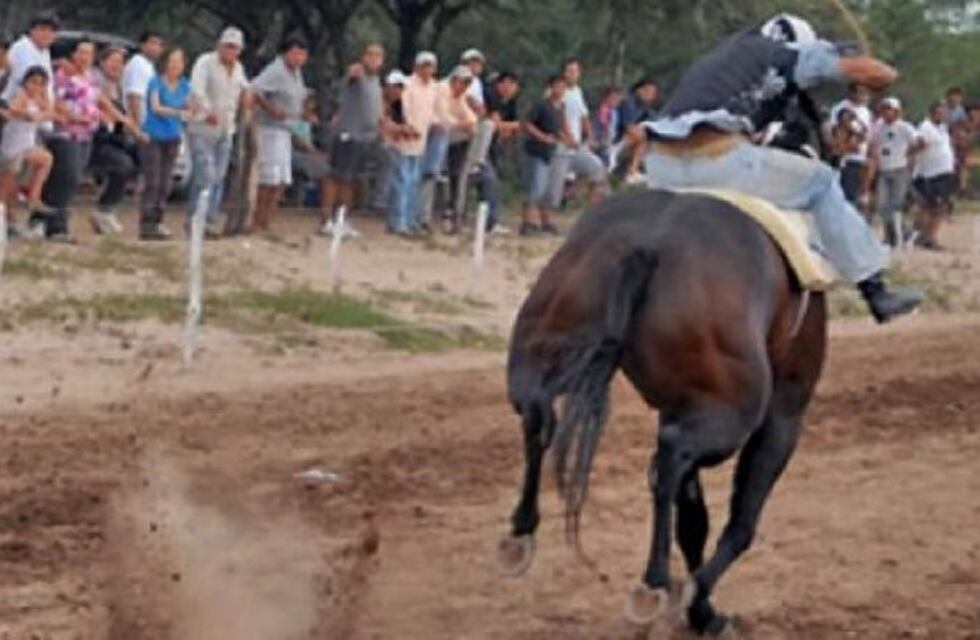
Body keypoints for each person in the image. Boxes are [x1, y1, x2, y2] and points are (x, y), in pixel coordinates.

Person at [640, 13, 922, 324]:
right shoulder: (789, 53)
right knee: (821, 182)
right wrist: (881, 71)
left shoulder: (721, 58)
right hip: (719, 164)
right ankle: (875, 290)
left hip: (660, 168)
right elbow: (870, 73)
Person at [187, 27, 250, 238]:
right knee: (205, 174)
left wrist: (247, 98)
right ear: (219, 45)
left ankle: (209, 220)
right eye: (228, 46)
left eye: (235, 48)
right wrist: (207, 109)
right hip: (203, 127)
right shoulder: (205, 62)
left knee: (219, 177)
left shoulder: (239, 69)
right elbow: (196, 89)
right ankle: (196, 219)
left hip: (226, 128)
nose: (231, 51)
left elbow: (244, 89)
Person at [320, 42, 384, 239]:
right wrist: (351, 74)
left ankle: (341, 219)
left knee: (351, 180)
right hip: (347, 135)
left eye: (378, 56)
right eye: (370, 54)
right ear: (363, 57)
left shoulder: (376, 82)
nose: (374, 59)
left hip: (364, 138)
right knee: (336, 177)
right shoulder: (357, 75)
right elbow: (345, 83)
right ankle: (326, 219)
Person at [43, 39, 106, 241]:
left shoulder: (92, 76)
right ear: (73, 54)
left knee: (74, 178)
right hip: (65, 132)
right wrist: (77, 117)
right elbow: (57, 102)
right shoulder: (62, 75)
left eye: (89, 53)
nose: (85, 57)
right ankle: (56, 225)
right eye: (81, 52)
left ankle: (49, 218)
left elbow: (97, 99)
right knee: (67, 175)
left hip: (86, 135)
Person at [250, 36, 309, 235]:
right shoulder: (275, 70)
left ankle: (267, 220)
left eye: (302, 54)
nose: (299, 57)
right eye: (295, 53)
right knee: (269, 177)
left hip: (287, 129)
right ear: (285, 53)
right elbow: (255, 90)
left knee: (282, 178)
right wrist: (271, 108)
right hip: (270, 129)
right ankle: (257, 220)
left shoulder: (297, 73)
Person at [139, 48, 194, 241]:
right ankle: (146, 222)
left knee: (165, 182)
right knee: (152, 180)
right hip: (153, 135)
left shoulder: (186, 85)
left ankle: (158, 219)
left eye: (179, 61)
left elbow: (191, 105)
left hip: (173, 136)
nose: (175, 65)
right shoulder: (155, 82)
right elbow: (156, 108)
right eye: (172, 60)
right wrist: (179, 113)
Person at [91, 46, 145, 233]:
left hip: (116, 136)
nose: (117, 66)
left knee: (140, 156)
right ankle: (104, 209)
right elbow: (102, 107)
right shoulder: (95, 81)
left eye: (121, 63)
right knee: (123, 164)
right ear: (102, 62)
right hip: (96, 137)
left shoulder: (120, 86)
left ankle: (111, 206)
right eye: (112, 61)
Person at [548, 58, 609, 212]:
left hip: (576, 145)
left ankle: (595, 207)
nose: (573, 75)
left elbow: (583, 116)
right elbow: (556, 118)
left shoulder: (577, 91)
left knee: (596, 166)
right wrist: (566, 137)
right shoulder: (555, 92)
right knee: (553, 190)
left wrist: (590, 136)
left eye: (575, 71)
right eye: (569, 71)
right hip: (560, 147)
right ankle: (548, 211)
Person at [0, 66, 55, 231]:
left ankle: (33, 197)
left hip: (27, 145)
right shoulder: (21, 95)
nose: (36, 87)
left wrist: (43, 101)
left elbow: (50, 112)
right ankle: (31, 198)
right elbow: (13, 109)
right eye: (33, 82)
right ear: (25, 83)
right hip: (14, 146)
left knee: (45, 160)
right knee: (6, 189)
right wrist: (24, 114)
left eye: (41, 84)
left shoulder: (39, 98)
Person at [393, 51, 441, 235]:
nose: (427, 69)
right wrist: (406, 127)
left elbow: (433, 112)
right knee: (403, 180)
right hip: (406, 138)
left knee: (414, 182)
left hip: (421, 142)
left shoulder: (434, 88)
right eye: (424, 65)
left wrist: (437, 124)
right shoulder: (407, 85)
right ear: (417, 67)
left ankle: (411, 220)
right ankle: (400, 222)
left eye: (430, 66)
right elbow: (402, 109)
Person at [867, 97, 921, 247]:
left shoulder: (905, 127)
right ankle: (891, 235)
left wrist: (909, 154)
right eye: (884, 108)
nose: (886, 112)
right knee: (882, 204)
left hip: (900, 169)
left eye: (889, 109)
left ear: (896, 111)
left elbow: (919, 142)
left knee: (896, 204)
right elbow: (872, 142)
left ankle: (903, 233)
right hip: (884, 169)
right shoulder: (878, 126)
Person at [521, 74, 571, 237]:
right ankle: (527, 221)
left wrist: (568, 139)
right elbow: (527, 123)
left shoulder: (560, 107)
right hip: (537, 151)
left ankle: (546, 221)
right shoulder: (541, 105)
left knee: (550, 189)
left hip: (553, 152)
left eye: (563, 87)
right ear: (551, 87)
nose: (560, 90)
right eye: (557, 86)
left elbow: (561, 128)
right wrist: (542, 136)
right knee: (536, 188)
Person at [911, 102, 956, 251]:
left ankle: (926, 236)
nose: (942, 115)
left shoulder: (943, 128)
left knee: (937, 206)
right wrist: (910, 158)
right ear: (932, 113)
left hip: (944, 171)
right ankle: (927, 237)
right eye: (938, 113)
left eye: (943, 113)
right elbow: (919, 144)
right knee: (934, 207)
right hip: (932, 173)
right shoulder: (926, 127)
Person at [482, 70, 522, 234]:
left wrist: (508, 127)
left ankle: (490, 220)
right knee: (490, 181)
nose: (509, 88)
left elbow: (509, 129)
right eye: (506, 83)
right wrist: (509, 126)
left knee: (494, 181)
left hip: (494, 147)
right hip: (479, 146)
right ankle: (491, 222)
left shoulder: (511, 103)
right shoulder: (490, 97)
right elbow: (494, 124)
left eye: (513, 84)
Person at [122, 30, 165, 125]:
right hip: (140, 125)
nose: (156, 48)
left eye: (159, 45)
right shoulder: (138, 63)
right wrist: (138, 128)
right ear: (142, 45)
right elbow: (134, 96)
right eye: (153, 43)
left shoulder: (148, 66)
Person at [831, 106, 869, 207]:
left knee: (849, 191)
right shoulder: (836, 130)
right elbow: (838, 148)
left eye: (849, 119)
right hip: (837, 163)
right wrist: (849, 147)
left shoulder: (852, 132)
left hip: (848, 164)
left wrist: (858, 121)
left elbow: (863, 136)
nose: (847, 122)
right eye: (846, 119)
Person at [460, 48, 487, 116]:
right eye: (471, 63)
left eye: (478, 64)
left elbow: (480, 105)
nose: (475, 66)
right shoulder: (457, 78)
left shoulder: (477, 82)